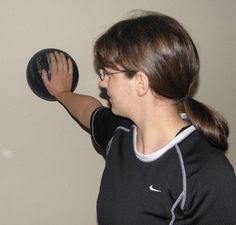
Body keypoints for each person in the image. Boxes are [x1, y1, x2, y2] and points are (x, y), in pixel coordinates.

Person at [41, 11, 236, 225]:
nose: (102, 83)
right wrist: (62, 93)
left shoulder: (206, 172)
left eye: (106, 73)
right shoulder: (120, 133)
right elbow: (89, 110)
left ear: (140, 83)